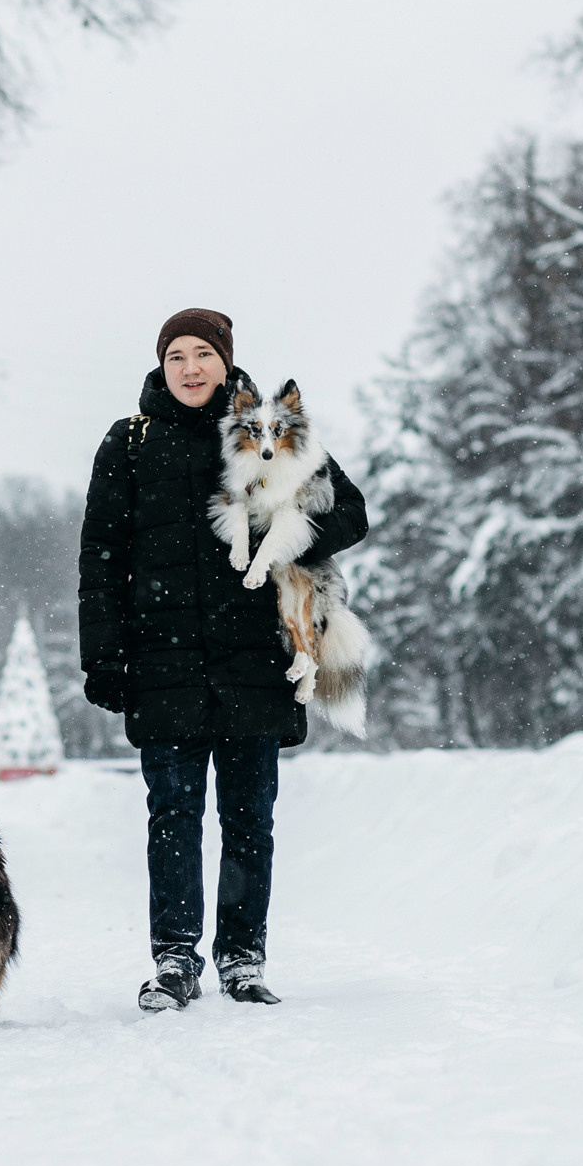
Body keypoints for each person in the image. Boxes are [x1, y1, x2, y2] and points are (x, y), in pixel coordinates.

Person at [78, 309, 367, 1012]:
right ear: (161, 365)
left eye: (203, 353)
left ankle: (242, 957)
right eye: (176, 355)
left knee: (248, 820)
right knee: (173, 817)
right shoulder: (128, 442)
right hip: (162, 662)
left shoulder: (264, 429)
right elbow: (101, 556)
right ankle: (175, 959)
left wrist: (284, 534)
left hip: (254, 662)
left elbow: (351, 514)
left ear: (225, 361)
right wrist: (103, 657)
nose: (190, 368)